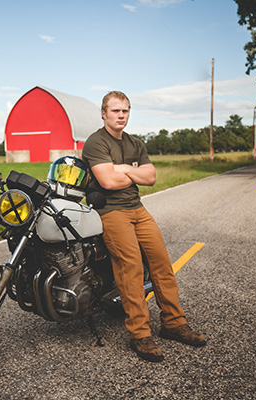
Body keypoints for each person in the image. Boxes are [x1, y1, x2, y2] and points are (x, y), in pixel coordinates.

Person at [82, 91, 206, 362]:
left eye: (125, 111)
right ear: (104, 113)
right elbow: (108, 183)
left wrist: (122, 168)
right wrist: (130, 172)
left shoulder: (135, 143)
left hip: (137, 208)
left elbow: (150, 177)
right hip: (111, 211)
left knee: (161, 263)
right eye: (115, 111)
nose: (121, 116)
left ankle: (173, 323)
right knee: (131, 267)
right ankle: (140, 334)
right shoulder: (95, 142)